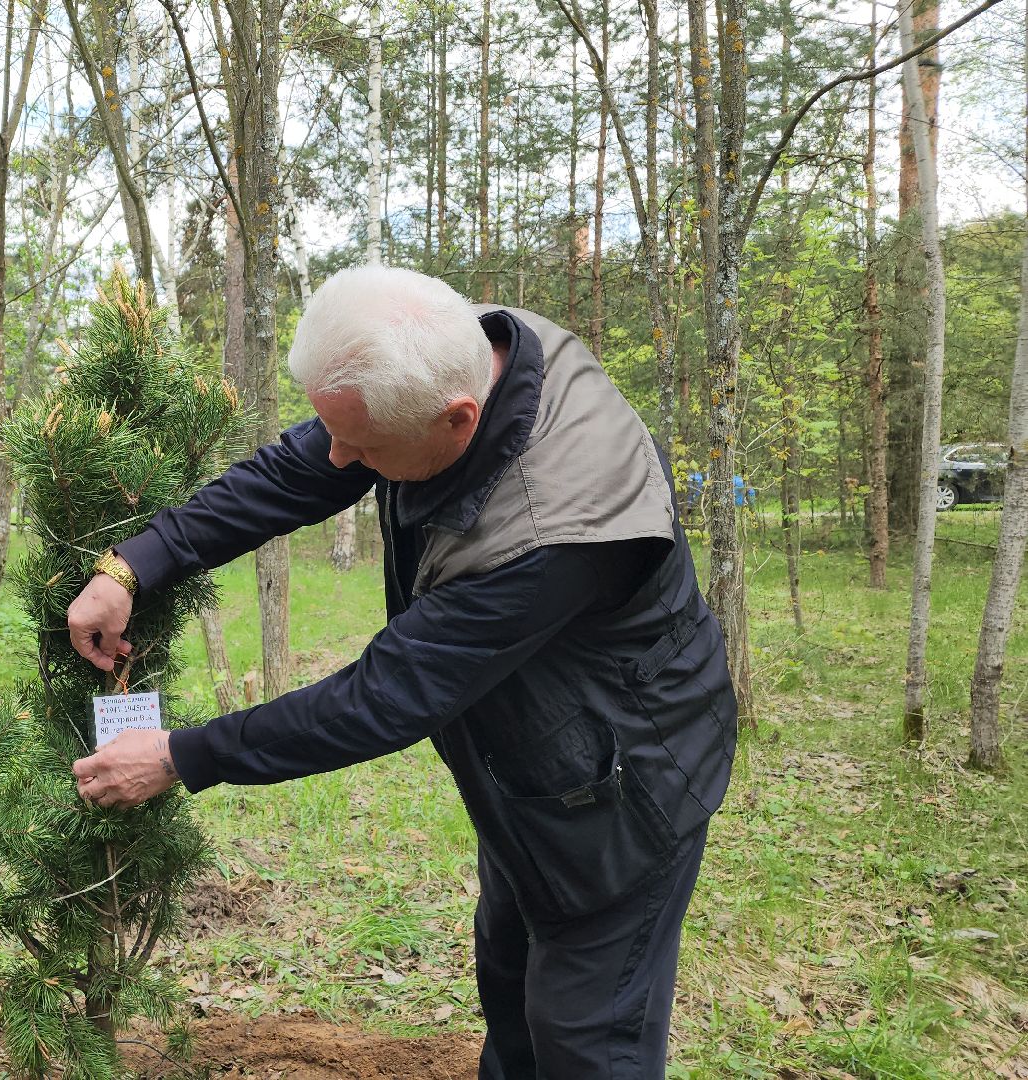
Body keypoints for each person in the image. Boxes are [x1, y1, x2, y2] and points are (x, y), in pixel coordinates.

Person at [67, 266, 735, 1078]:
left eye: (363, 447)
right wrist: (133, 565)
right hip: (541, 772)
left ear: (456, 420)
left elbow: (384, 697)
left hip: (622, 793)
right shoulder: (458, 361)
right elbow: (292, 472)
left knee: (586, 1039)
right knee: (514, 986)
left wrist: (180, 756)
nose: (339, 459)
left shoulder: (552, 534)